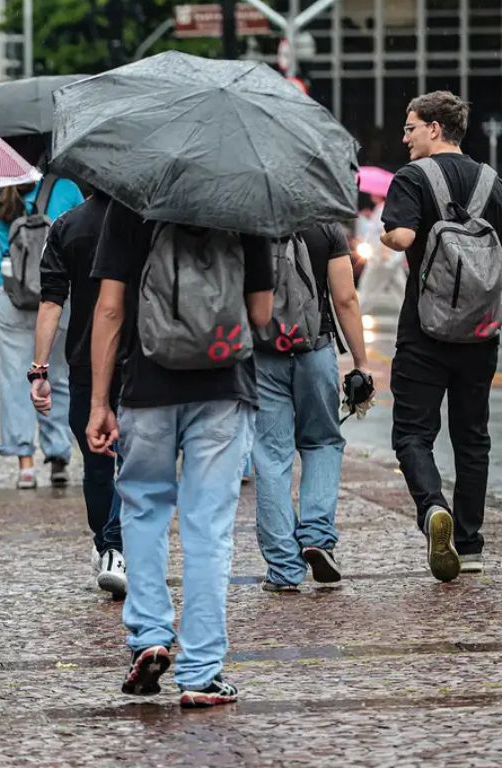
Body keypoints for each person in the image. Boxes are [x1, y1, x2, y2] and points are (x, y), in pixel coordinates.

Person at [88, 201, 273, 708]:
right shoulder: (243, 205)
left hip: (146, 387)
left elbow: (109, 308)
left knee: (143, 511)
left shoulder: (131, 204)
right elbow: (260, 314)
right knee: (209, 528)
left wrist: (99, 402)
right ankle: (201, 673)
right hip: (224, 387)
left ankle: (149, 635)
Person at [381, 90, 502, 581]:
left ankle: (433, 508)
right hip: (480, 330)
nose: (405, 137)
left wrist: (387, 236)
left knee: (412, 432)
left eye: (410, 127)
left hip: (424, 331)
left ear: (434, 128)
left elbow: (404, 238)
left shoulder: (411, 178)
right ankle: (470, 544)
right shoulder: (492, 181)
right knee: (472, 436)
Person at [252, 225, 371, 592]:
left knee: (271, 458)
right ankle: (318, 537)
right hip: (315, 350)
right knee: (321, 443)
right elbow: (346, 299)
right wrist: (361, 363)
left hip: (263, 354)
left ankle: (284, 569)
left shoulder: (250, 222)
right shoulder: (326, 228)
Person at [31, 190, 125, 596]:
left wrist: (39, 369)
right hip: (139, 355)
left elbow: (51, 302)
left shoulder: (67, 225)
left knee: (97, 460)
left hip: (86, 358)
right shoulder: (141, 220)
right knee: (135, 457)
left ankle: (109, 545)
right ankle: (115, 546)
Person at [0, 178, 84, 488]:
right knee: (57, 377)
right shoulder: (66, 189)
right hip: (56, 296)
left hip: (10, 295)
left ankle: (25, 464)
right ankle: (59, 456)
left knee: (14, 380)